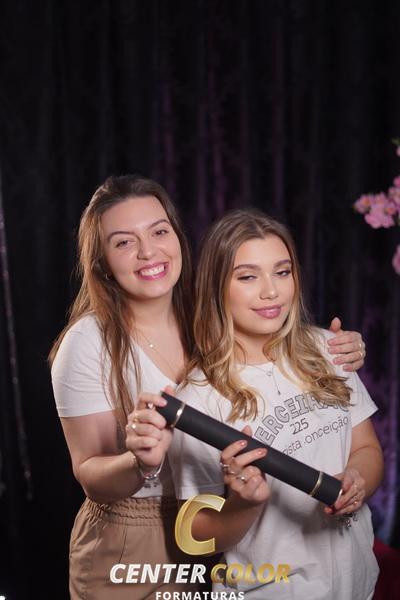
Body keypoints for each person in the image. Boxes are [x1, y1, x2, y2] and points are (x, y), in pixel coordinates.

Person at [50, 179, 368, 600]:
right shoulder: (88, 342)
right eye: (124, 242)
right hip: (136, 535)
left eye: (159, 231)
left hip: (230, 530)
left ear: (178, 236)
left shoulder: (206, 310)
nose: (148, 252)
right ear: (102, 261)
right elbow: (89, 473)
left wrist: (335, 349)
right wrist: (138, 462)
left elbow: (278, 347)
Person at [162, 209, 383, 600]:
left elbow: (367, 448)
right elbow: (196, 534)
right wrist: (244, 505)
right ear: (216, 287)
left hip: (357, 583)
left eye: (282, 272)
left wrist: (357, 481)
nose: (271, 291)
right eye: (248, 277)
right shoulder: (199, 397)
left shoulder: (329, 350)